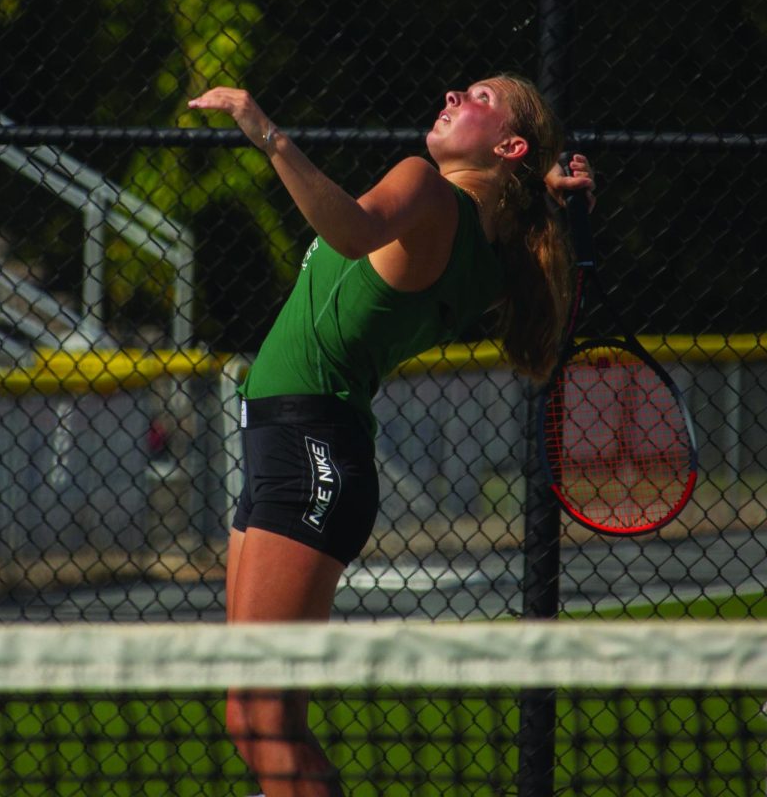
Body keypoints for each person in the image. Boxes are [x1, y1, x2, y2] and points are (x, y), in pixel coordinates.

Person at [187, 74, 595, 797]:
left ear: (508, 144)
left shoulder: (426, 187)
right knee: (257, 714)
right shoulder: (497, 253)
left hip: (306, 451)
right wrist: (550, 195)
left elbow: (348, 228)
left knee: (259, 719)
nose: (450, 96)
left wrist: (266, 131)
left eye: (478, 97)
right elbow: (515, 218)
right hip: (300, 450)